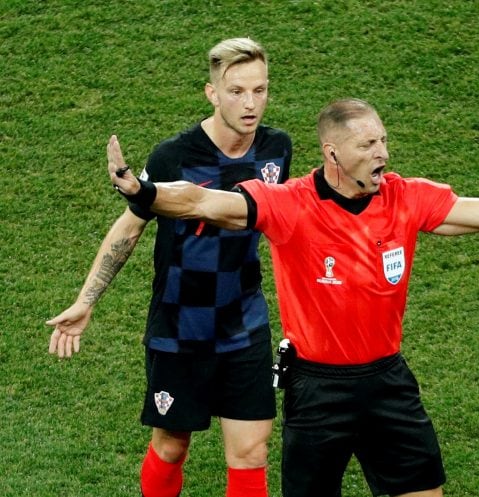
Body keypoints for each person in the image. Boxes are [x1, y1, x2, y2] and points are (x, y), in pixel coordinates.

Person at [107, 97, 479, 497]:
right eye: (368, 144)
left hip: (387, 382)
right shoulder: (289, 204)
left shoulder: (405, 197)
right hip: (316, 390)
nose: (382, 152)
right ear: (332, 151)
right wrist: (145, 192)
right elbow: (208, 204)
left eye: (383, 141)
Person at [46, 37, 291, 497]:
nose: (251, 102)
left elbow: (284, 220)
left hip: (245, 324)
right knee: (172, 445)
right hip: (180, 328)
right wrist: (85, 301)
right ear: (211, 93)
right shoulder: (174, 155)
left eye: (260, 90)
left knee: (251, 453)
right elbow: (129, 229)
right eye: (237, 91)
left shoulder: (277, 148)